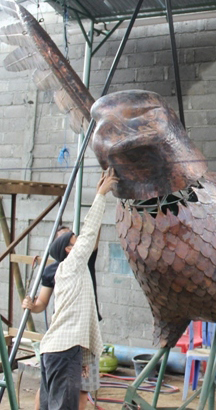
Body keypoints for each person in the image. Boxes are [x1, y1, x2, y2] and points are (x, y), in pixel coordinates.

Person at [23, 168, 117, 410]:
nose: (80, 240)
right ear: (68, 249)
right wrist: (101, 195)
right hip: (63, 351)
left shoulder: (72, 270)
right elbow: (89, 232)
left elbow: (80, 320)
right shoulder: (72, 265)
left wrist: (97, 193)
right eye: (75, 240)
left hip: (62, 350)